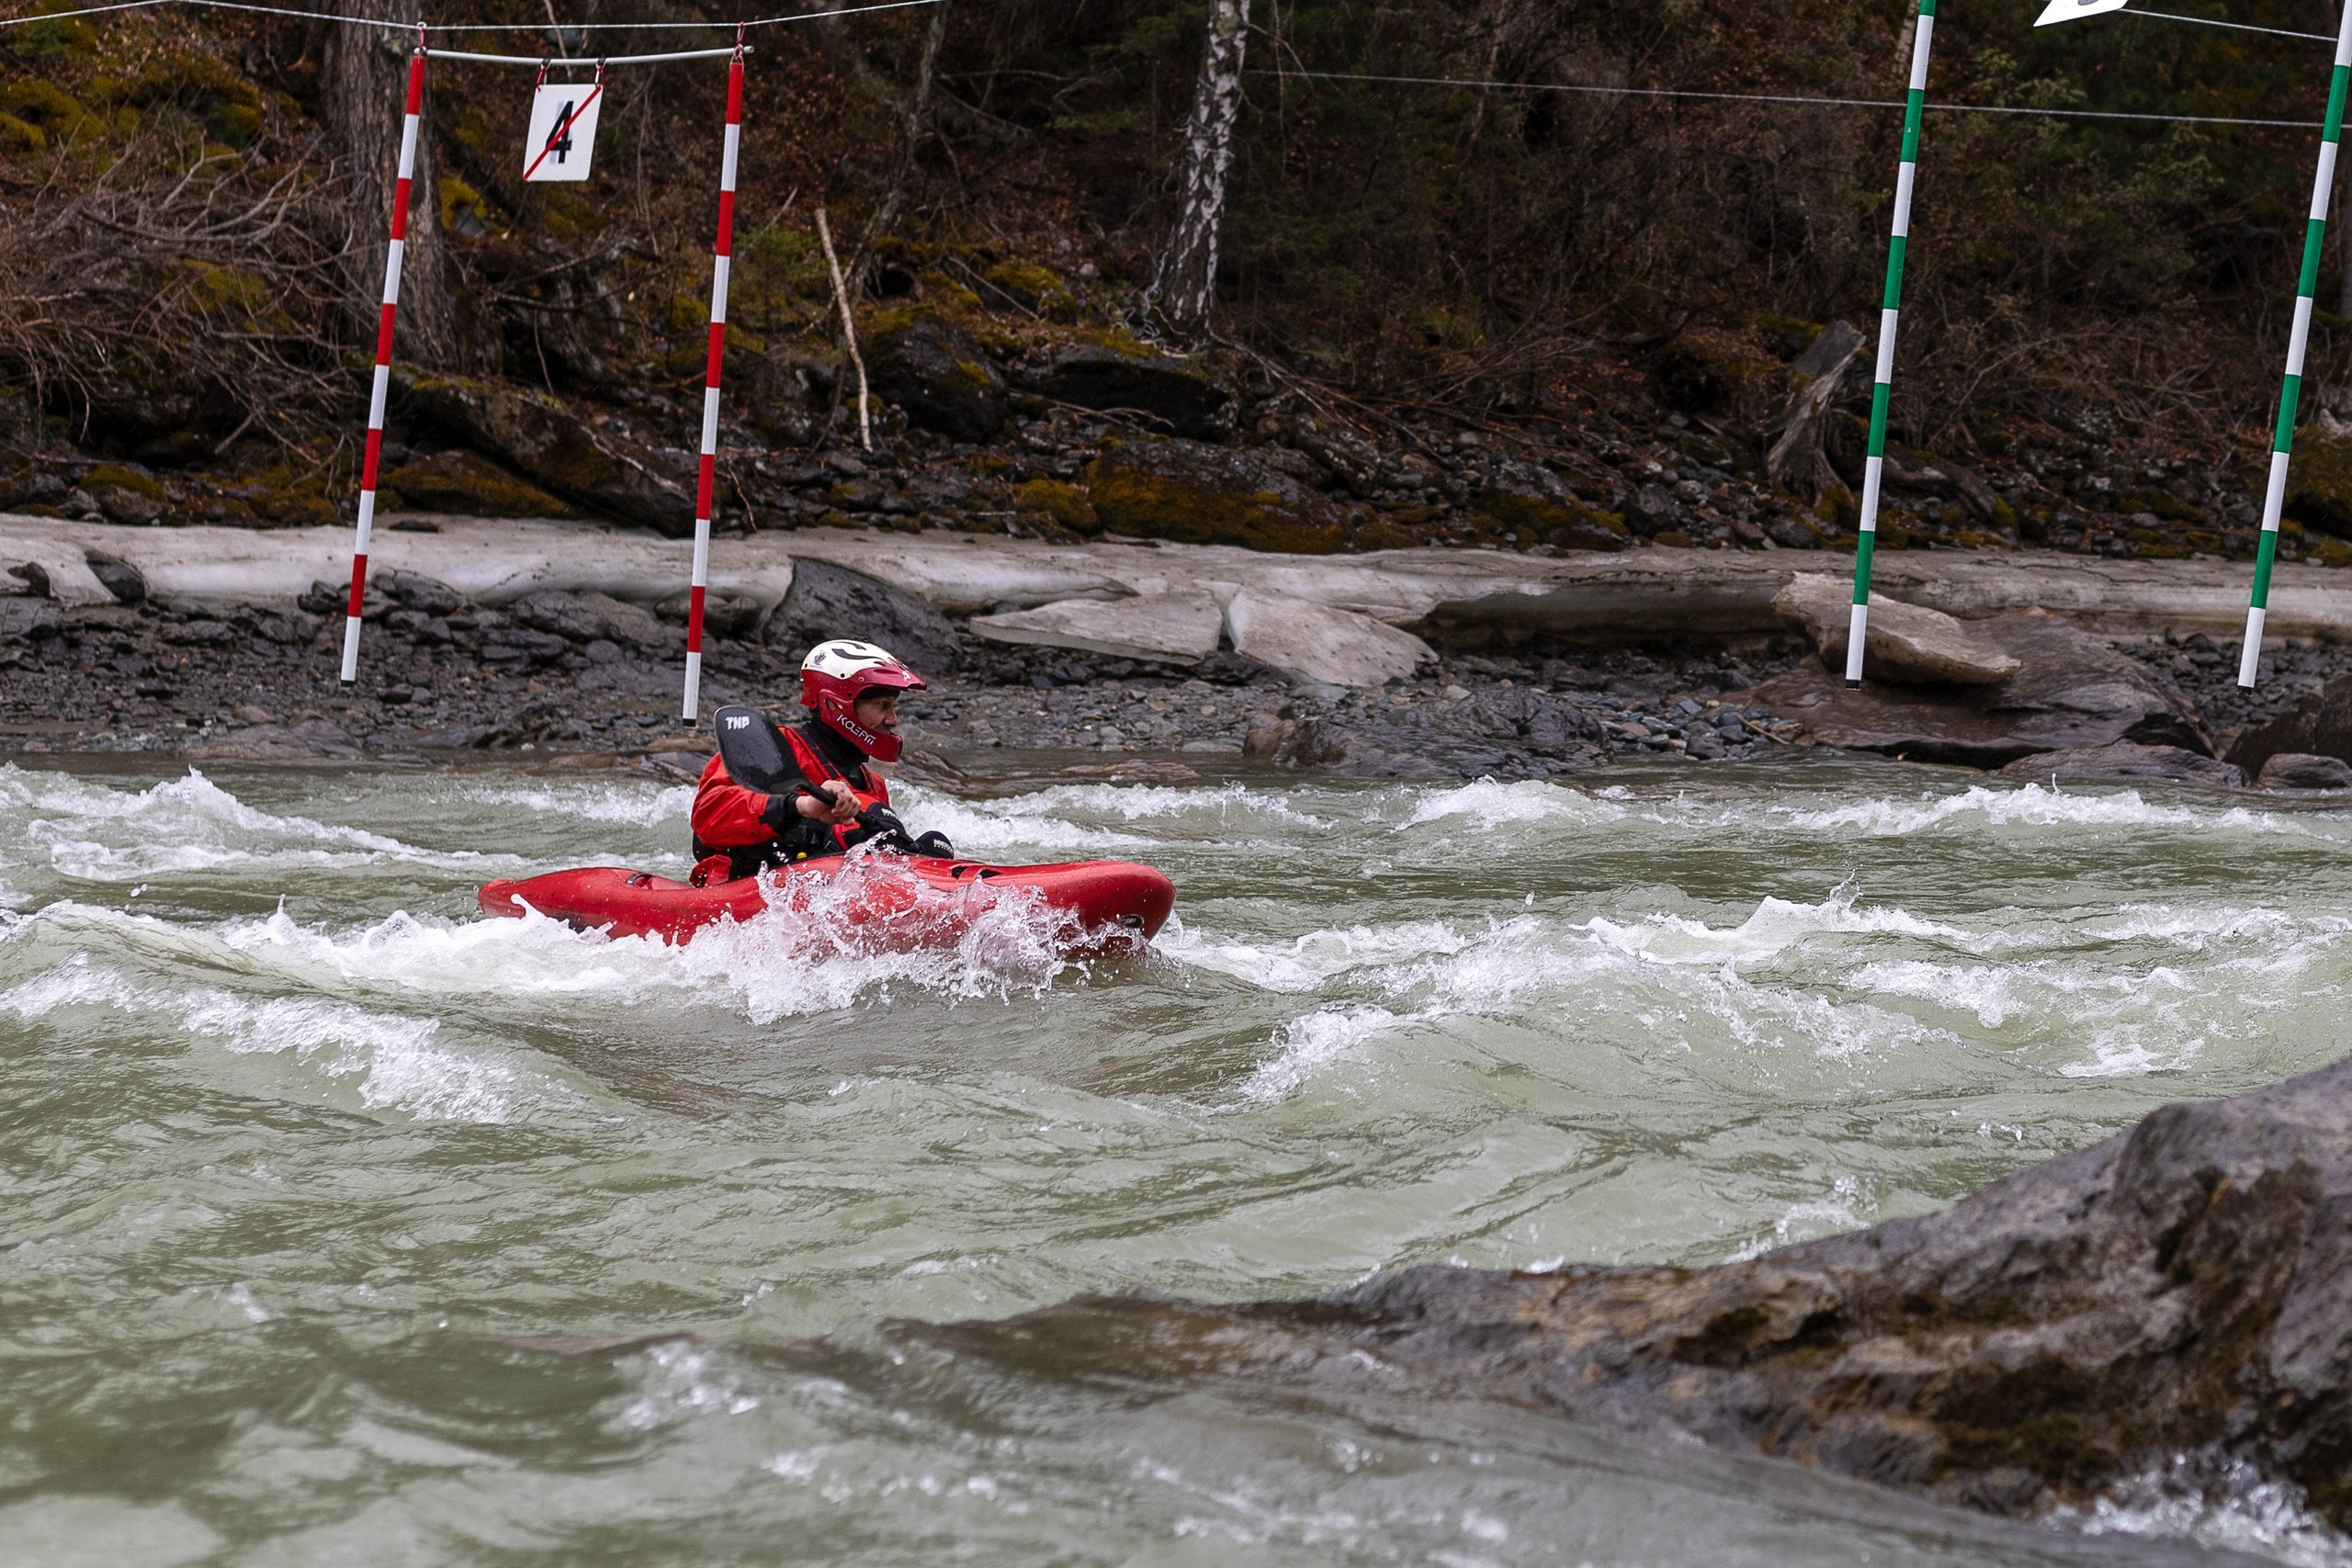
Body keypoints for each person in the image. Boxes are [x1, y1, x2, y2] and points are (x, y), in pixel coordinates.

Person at [689, 638, 955, 883]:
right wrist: (799, 806)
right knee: (867, 817)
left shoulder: (873, 785)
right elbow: (708, 818)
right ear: (834, 704)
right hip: (737, 894)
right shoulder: (776, 747)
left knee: (933, 844)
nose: (892, 720)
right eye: (882, 705)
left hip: (821, 898)